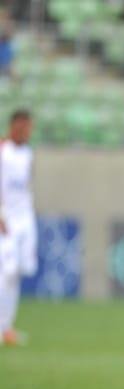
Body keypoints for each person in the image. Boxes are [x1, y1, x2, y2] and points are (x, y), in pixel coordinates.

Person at [0, 108, 37, 347]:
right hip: (7, 220)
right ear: (14, 126)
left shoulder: (28, 154)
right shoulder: (3, 150)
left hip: (26, 219)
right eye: (24, 127)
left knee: (18, 272)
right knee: (5, 273)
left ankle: (6, 327)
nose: (27, 131)